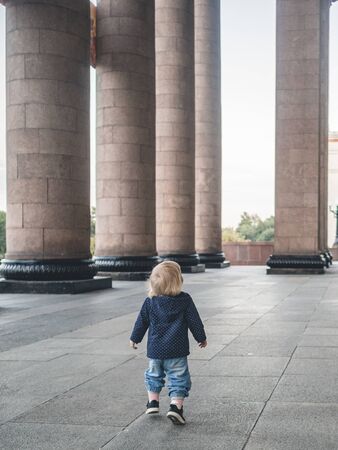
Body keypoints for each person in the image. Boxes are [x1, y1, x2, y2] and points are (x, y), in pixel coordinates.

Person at [129, 260, 207, 425]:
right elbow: (195, 321)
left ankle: (153, 402)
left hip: (155, 350)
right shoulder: (185, 300)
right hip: (177, 349)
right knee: (179, 377)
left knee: (153, 374)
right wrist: (201, 337)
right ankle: (175, 407)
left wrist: (135, 338)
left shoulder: (150, 301)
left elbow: (141, 322)